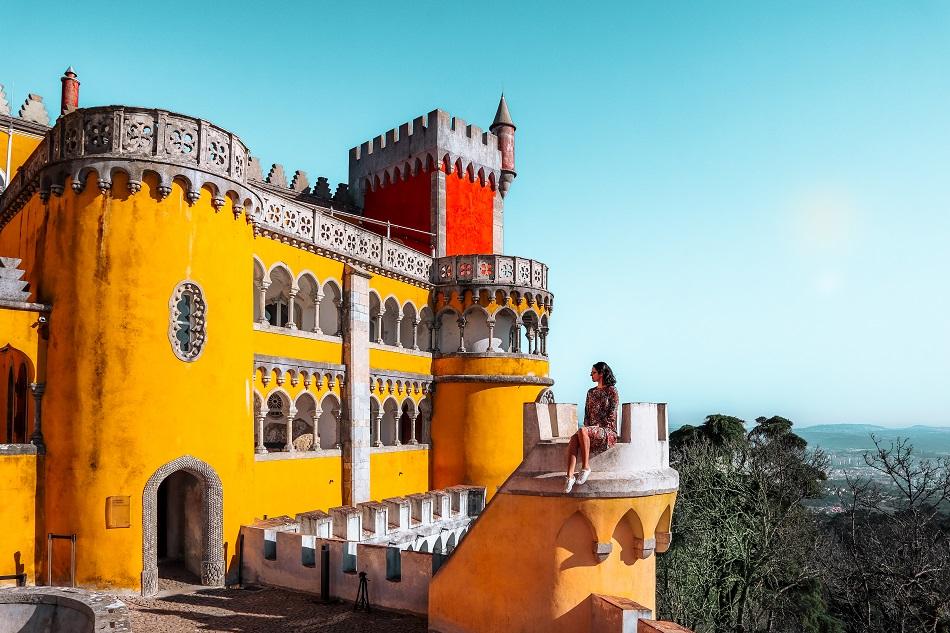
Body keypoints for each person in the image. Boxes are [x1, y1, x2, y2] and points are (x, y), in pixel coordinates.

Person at [565, 361, 619, 493]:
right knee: (574, 438)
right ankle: (570, 476)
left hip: (607, 431)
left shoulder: (612, 391)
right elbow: (587, 414)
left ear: (602, 373)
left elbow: (612, 414)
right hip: (590, 431)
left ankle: (586, 467)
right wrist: (588, 431)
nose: (591, 375)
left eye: (594, 372)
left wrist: (592, 429)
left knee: (582, 430)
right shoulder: (591, 392)